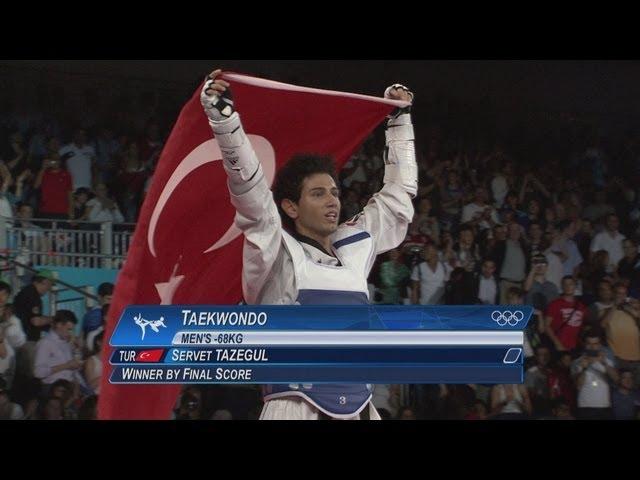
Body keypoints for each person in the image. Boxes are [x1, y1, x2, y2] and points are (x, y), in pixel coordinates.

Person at [200, 70, 416, 420]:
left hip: (361, 409)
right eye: (318, 194)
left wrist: (399, 123)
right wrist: (226, 124)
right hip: (293, 409)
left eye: (334, 192)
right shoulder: (275, 251)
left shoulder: (356, 246)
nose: (332, 201)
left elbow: (398, 199)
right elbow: (251, 195)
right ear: (290, 207)